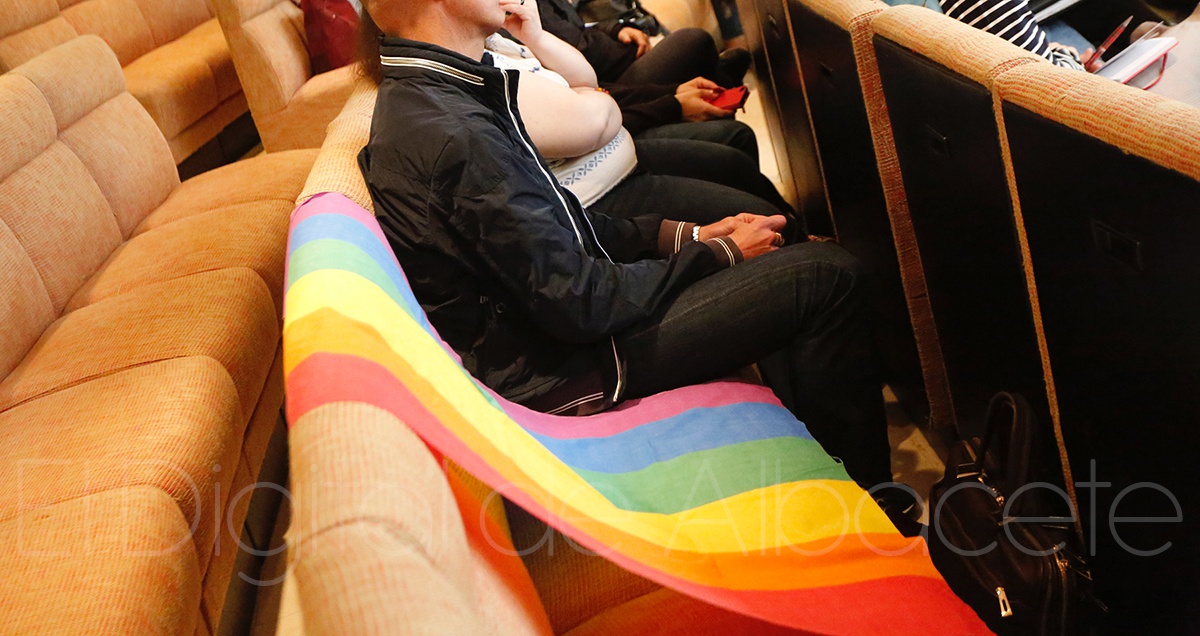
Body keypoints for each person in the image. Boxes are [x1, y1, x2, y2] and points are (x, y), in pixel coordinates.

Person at [356, 0, 920, 528]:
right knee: (826, 276)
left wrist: (690, 235)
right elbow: (581, 303)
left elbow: (566, 225)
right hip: (562, 371)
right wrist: (716, 254)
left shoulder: (449, 91)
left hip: (562, 333)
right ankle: (878, 522)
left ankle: (828, 473)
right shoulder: (450, 128)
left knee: (780, 251)